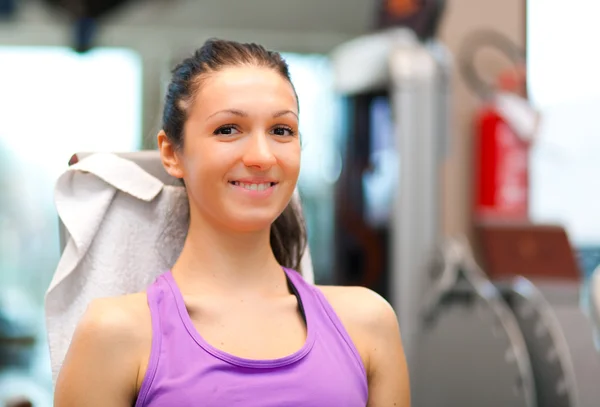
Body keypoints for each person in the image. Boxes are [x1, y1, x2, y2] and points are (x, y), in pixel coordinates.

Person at [53, 39, 410, 406]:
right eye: (228, 129)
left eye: (281, 130)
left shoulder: (368, 324)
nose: (261, 155)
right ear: (171, 154)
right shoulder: (116, 333)